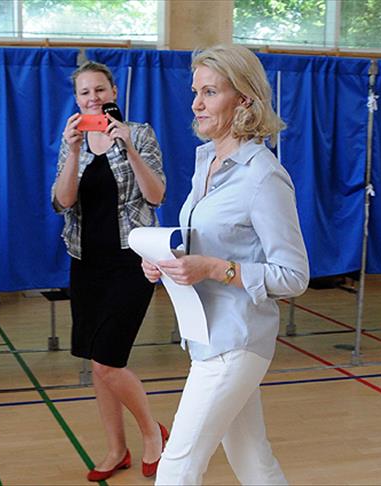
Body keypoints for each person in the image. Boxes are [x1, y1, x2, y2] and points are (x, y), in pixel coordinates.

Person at [142, 45, 309, 485]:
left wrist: (216, 269)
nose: (195, 104)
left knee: (176, 466)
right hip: (207, 336)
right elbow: (210, 243)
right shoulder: (208, 164)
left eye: (210, 92)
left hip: (236, 342)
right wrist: (168, 261)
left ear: (244, 100)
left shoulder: (263, 176)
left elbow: (294, 276)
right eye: (195, 92)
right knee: (254, 463)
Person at [52, 61, 168, 481]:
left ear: (114, 92)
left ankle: (153, 433)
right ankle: (117, 449)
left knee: (107, 362)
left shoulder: (140, 133)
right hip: (86, 263)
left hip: (133, 261)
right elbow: (63, 201)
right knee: (98, 362)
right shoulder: (73, 139)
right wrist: (73, 151)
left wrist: (129, 148)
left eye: (100, 90)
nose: (93, 98)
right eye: (85, 92)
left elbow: (156, 195)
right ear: (76, 98)